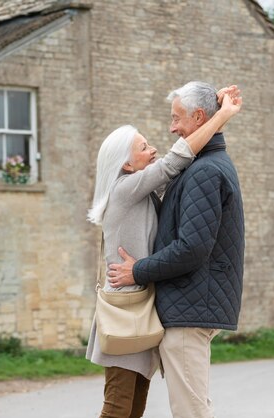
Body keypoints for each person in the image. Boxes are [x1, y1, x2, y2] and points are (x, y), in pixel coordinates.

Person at [86, 85, 242, 418]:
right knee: (118, 408)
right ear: (127, 165)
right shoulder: (127, 189)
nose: (155, 146)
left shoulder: (143, 189)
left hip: (141, 310)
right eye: (144, 148)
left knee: (133, 408)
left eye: (176, 118)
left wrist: (211, 109)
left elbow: (180, 168)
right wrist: (223, 116)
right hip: (127, 313)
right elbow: (176, 159)